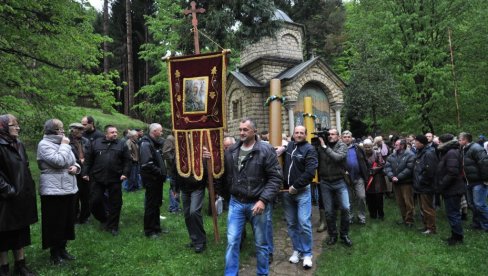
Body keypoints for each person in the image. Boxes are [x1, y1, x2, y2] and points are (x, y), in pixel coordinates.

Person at [224, 118, 282, 276]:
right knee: (232, 241)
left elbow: (276, 178)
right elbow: (224, 173)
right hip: (236, 202)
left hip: (257, 204)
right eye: (240, 129)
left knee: (261, 244)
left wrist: (263, 200)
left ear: (254, 131)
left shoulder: (266, 150)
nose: (241, 132)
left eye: (245, 130)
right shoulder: (232, 150)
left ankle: (262, 273)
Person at [37, 119, 79, 264]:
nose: (64, 132)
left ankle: (63, 249)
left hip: (68, 188)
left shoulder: (62, 144)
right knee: (55, 223)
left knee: (67, 222)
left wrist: (76, 168)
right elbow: (59, 161)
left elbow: (72, 161)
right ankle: (54, 254)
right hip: (53, 191)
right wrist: (65, 145)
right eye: (61, 129)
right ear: (53, 131)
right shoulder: (44, 145)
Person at [0, 114, 38, 276]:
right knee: (3, 234)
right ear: (2, 127)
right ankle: (3, 268)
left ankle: (21, 265)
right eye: (13, 125)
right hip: (4, 199)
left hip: (21, 196)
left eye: (17, 124)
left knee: (20, 232)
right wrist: (8, 190)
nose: (18, 127)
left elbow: (25, 166)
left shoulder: (19, 144)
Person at [280, 126, 318, 269]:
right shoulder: (290, 146)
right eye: (297, 132)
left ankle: (307, 253)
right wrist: (281, 149)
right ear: (293, 134)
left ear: (306, 135)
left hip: (301, 192)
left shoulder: (310, 149)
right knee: (291, 224)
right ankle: (297, 250)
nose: (299, 135)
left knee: (304, 222)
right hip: (287, 192)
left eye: (302, 133)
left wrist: (296, 186)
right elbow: (283, 150)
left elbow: (310, 172)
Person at [83, 125, 130, 236]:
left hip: (115, 178)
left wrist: (125, 173)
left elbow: (127, 161)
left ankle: (113, 226)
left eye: (116, 132)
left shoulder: (122, 144)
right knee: (94, 201)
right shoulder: (96, 143)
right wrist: (85, 172)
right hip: (98, 177)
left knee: (116, 203)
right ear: (106, 133)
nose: (115, 134)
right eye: (112, 132)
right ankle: (104, 218)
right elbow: (88, 159)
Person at [317, 128, 352, 247]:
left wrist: (324, 147)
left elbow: (337, 158)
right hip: (325, 182)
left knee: (346, 208)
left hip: (339, 181)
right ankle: (332, 235)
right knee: (328, 211)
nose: (330, 136)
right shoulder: (321, 145)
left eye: (333, 134)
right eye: (329, 134)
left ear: (338, 136)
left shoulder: (341, 145)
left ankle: (344, 234)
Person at [175, 148, 211, 253]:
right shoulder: (180, 150)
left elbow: (207, 170)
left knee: (194, 212)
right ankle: (194, 239)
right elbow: (175, 170)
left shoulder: (201, 150)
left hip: (197, 187)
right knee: (187, 214)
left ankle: (200, 241)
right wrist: (175, 188)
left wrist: (206, 158)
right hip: (184, 187)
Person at [436, 134, 466, 245]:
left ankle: (458, 238)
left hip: (453, 189)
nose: (438, 143)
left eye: (439, 142)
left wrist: (442, 185)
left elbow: (452, 173)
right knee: (452, 213)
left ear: (445, 142)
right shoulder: (448, 151)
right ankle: (455, 235)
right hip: (451, 188)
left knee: (453, 214)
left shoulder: (451, 152)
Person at [139, 123, 168, 238]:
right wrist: (160, 172)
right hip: (151, 179)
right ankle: (149, 231)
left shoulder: (155, 143)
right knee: (151, 205)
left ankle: (156, 228)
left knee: (156, 204)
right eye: (160, 131)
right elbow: (147, 164)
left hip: (157, 180)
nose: (162, 133)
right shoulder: (146, 144)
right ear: (154, 131)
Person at [458, 132, 488, 231]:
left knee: (479, 204)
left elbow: (484, 163)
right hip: (469, 181)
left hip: (478, 181)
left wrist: (485, 179)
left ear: (465, 140)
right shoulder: (463, 149)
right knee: (472, 204)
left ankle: (486, 225)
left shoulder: (476, 148)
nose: (458, 141)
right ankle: (477, 224)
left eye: (460, 139)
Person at [384, 139, 416, 227]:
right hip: (396, 183)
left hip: (406, 183)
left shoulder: (410, 155)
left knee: (408, 202)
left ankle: (410, 220)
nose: (395, 146)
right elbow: (387, 167)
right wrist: (391, 176)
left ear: (402, 145)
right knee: (400, 202)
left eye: (397, 145)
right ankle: (404, 218)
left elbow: (409, 168)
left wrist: (398, 177)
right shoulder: (392, 155)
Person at [412, 134, 439, 234]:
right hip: (420, 185)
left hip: (426, 186)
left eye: (416, 142)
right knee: (423, 208)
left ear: (421, 143)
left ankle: (431, 228)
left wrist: (423, 181)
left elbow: (430, 171)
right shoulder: (421, 152)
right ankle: (426, 226)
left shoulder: (429, 153)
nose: (415, 143)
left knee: (427, 208)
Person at [342, 130, 369, 225]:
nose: (347, 138)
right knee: (348, 199)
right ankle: (350, 217)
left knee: (361, 197)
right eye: (345, 137)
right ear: (342, 138)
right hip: (345, 179)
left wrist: (366, 172)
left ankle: (361, 217)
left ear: (351, 138)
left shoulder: (358, 148)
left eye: (348, 136)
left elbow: (365, 161)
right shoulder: (339, 149)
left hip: (358, 177)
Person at [68, 123, 92, 224]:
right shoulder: (66, 142)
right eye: (79, 130)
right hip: (73, 173)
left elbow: (90, 154)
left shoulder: (86, 141)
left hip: (86, 171)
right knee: (74, 196)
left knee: (86, 196)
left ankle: (84, 217)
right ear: (73, 130)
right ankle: (74, 217)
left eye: (83, 130)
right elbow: (67, 157)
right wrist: (79, 162)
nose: (82, 132)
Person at [363, 139, 387, 219]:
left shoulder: (377, 153)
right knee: (370, 198)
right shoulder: (362, 154)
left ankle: (381, 214)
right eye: (366, 147)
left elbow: (382, 164)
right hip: (367, 178)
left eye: (369, 147)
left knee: (379, 198)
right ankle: (372, 214)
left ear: (372, 146)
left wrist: (373, 170)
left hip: (377, 178)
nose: (367, 149)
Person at [162, 134, 181, 213]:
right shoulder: (170, 138)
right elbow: (166, 152)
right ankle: (173, 208)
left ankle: (176, 206)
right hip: (173, 169)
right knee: (173, 187)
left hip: (178, 169)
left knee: (177, 187)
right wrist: (174, 162)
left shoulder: (178, 137)